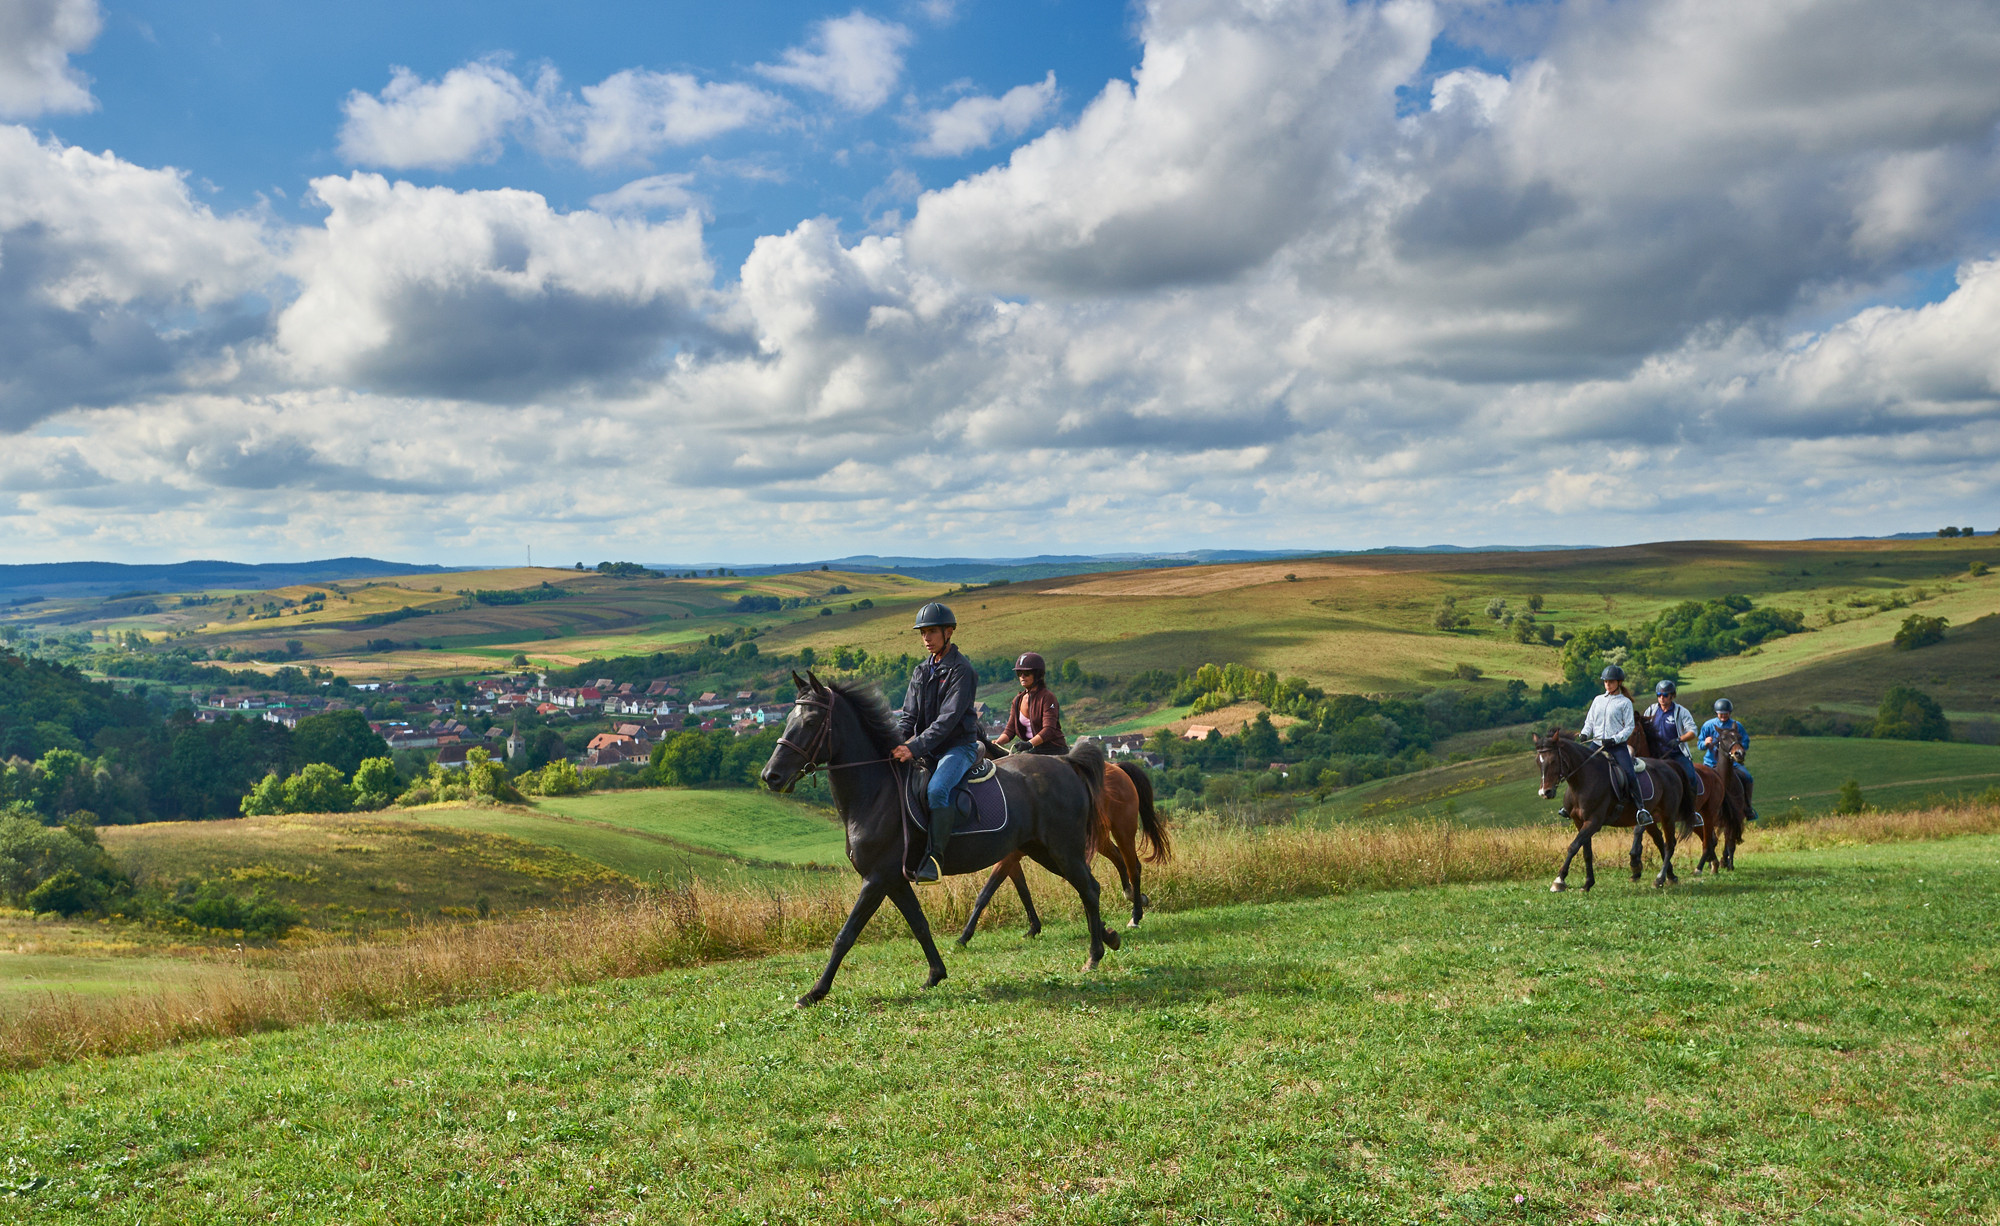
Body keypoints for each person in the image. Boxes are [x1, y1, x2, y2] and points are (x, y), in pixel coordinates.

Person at [893, 602, 983, 882]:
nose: (926, 638)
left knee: (937, 790)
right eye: (923, 633)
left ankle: (935, 860)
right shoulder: (921, 670)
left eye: (932, 632)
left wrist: (913, 747)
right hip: (929, 749)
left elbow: (947, 721)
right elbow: (908, 717)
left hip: (958, 747)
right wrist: (892, 743)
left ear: (949, 632)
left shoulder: (962, 670)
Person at [1580, 664, 1650, 825]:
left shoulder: (1625, 703)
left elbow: (1629, 727)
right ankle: (1570, 804)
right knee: (1581, 768)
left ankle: (1641, 809)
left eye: (1611, 682)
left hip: (1616, 746)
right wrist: (1585, 733)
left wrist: (1614, 739)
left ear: (1619, 682)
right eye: (1605, 682)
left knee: (1629, 773)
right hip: (1597, 744)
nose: (1607, 684)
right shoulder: (1598, 700)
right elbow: (1590, 721)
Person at [1645, 680, 1702, 829]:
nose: (1661, 698)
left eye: (1665, 695)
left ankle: (1691, 812)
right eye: (1659, 695)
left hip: (1676, 754)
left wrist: (1679, 739)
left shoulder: (1681, 712)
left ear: (1673, 696)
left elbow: (1693, 731)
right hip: (1655, 756)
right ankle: (1642, 810)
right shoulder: (1650, 710)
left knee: (1691, 777)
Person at [1700, 698, 1759, 822]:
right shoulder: (1708, 725)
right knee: (1699, 781)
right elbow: (1699, 744)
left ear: (1730, 713)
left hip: (1733, 763)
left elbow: (1745, 741)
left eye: (1726, 713)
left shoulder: (1737, 726)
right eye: (1721, 713)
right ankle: (1697, 811)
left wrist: (1739, 749)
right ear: (1716, 713)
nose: (1723, 716)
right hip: (1711, 763)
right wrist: (1705, 743)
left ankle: (1748, 808)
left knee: (1748, 778)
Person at [997, 652, 1068, 755]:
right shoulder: (1017, 700)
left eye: (1026, 673)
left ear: (1037, 675)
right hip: (1031, 751)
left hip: (1053, 750)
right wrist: (997, 743)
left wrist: (1029, 744)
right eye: (1019, 673)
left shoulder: (1048, 697)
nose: (1022, 676)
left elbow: (1049, 729)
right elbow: (1010, 730)